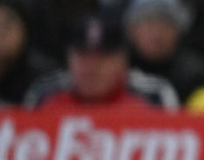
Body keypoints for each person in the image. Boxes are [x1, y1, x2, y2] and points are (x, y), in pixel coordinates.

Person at [24, 14, 179, 109]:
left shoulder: (154, 96)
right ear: (69, 57)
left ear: (122, 61)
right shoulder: (43, 95)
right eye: (82, 55)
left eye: (103, 57)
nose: (91, 67)